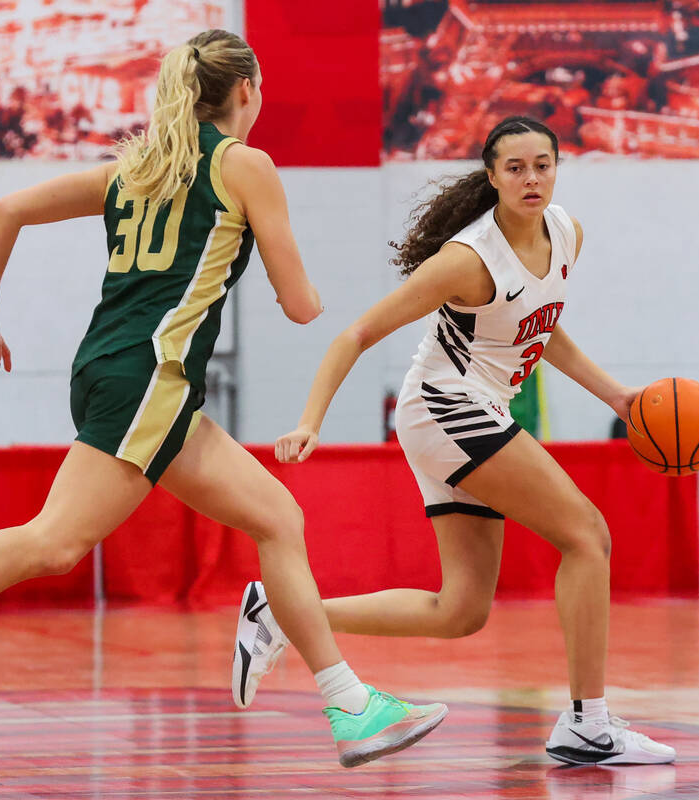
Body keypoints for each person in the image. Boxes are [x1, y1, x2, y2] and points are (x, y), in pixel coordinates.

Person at [0, 30, 446, 766]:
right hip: (151, 375)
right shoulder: (243, 164)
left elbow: (5, 210)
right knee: (55, 542)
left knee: (277, 517)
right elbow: (301, 303)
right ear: (247, 90)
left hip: (120, 371)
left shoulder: (135, 167)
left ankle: (349, 706)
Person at [242, 116, 676, 766]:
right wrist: (311, 420)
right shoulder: (468, 260)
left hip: (468, 409)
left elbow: (539, 327)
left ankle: (280, 612)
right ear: (493, 177)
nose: (532, 178)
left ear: (557, 167)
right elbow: (355, 334)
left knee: (461, 609)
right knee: (587, 534)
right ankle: (589, 723)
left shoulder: (565, 233)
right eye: (516, 168)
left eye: (542, 165)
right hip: (446, 405)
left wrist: (615, 396)